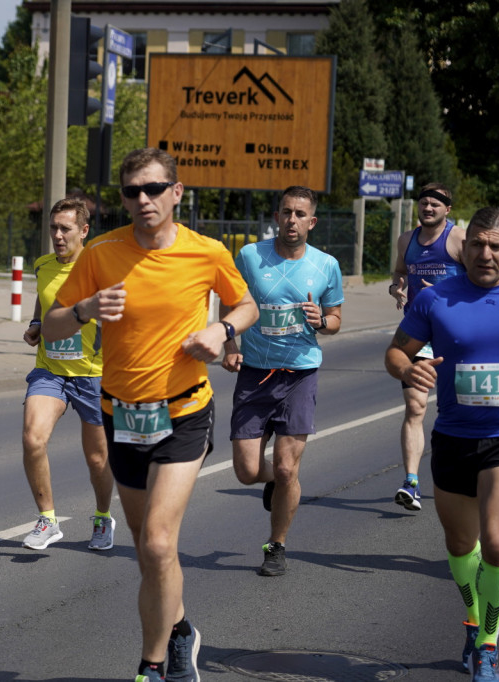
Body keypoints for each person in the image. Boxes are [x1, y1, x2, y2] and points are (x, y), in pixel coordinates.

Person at [43, 148, 258, 682]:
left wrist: (222, 330)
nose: (143, 200)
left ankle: (153, 665)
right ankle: (181, 629)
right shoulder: (100, 253)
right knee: (148, 552)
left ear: (177, 192)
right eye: (133, 191)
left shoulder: (206, 253)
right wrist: (85, 310)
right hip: (122, 417)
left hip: (184, 414)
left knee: (161, 543)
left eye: (154, 189)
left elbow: (246, 305)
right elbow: (50, 326)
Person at [385, 207, 499, 681]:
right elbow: (396, 351)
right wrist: (407, 368)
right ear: (467, 249)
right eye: (478, 244)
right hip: (454, 438)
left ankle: (487, 644)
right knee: (463, 547)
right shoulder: (435, 298)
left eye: (496, 246)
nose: (485, 253)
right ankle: (471, 618)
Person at [221, 186, 343, 577]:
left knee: (290, 469)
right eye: (287, 212)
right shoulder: (250, 256)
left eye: (300, 214)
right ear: (277, 216)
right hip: (256, 372)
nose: (292, 220)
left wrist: (321, 321)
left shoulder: (326, 265)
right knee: (245, 470)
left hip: (300, 374)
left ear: (312, 221)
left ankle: (276, 546)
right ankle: (275, 481)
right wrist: (229, 343)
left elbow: (336, 319)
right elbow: (231, 301)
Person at [20, 197, 114, 551]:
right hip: (51, 369)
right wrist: (35, 323)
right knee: (33, 438)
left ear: (84, 230)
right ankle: (48, 520)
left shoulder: (101, 266)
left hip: (94, 374)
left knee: (97, 459)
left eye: (66, 229)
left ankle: (103, 517)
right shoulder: (43, 264)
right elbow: (45, 300)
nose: (58, 235)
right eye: (53, 228)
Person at [387, 183, 463, 511]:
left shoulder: (459, 238)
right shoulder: (407, 240)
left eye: (435, 204)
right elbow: (400, 272)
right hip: (420, 334)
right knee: (416, 407)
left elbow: (479, 278)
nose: (428, 208)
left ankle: (466, 476)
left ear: (447, 209)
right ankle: (411, 482)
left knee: (458, 409)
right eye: (424, 203)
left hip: (457, 332)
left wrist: (446, 291)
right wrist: (397, 287)